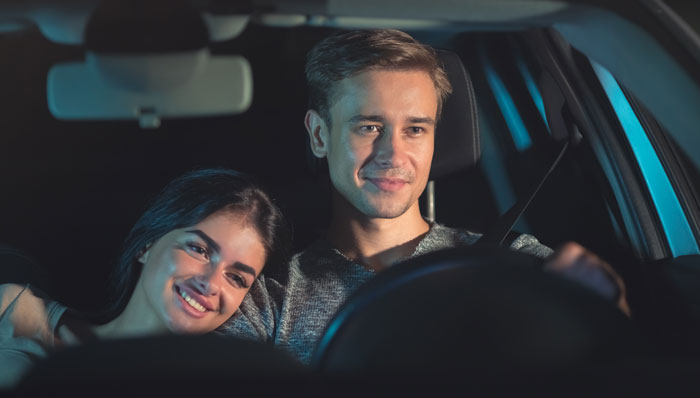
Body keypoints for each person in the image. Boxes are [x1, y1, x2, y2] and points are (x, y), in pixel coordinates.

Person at [223, 29, 629, 365]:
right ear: (319, 135)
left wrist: (610, 315)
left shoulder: (518, 266)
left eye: (415, 129)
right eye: (368, 127)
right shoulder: (269, 300)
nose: (393, 155)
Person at [0, 168, 289, 388]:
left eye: (236, 278)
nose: (212, 284)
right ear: (146, 246)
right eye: (199, 249)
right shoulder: (14, 307)